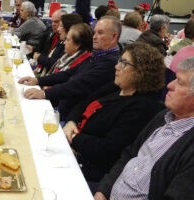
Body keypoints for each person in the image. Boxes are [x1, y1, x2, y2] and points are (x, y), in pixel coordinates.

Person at [63, 42, 165, 184]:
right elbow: (83, 103)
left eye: (124, 63)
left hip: (88, 168)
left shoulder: (142, 107)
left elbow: (107, 150)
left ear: (141, 71)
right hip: (73, 140)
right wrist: (71, 122)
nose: (117, 66)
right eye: (119, 60)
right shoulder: (118, 86)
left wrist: (74, 138)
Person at [94, 56, 194, 200]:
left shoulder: (189, 148)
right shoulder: (164, 116)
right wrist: (104, 189)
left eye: (179, 82)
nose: (170, 85)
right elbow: (130, 153)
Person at [18, 16, 121, 119]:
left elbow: (78, 85)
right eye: (95, 32)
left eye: (100, 33)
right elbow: (68, 74)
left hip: (70, 116)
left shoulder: (110, 63)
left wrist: (44, 93)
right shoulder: (97, 55)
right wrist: (38, 80)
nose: (94, 37)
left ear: (114, 36)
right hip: (63, 108)